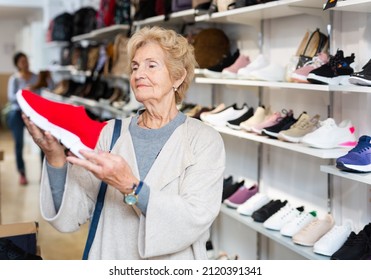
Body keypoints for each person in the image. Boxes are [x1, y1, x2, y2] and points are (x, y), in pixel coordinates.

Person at [22, 26, 226, 260]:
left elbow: (195, 217)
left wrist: (132, 187)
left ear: (178, 76)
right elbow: (72, 214)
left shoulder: (204, 140)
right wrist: (54, 157)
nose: (138, 74)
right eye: (135, 66)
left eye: (151, 65)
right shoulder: (111, 133)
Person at [7, 52, 38, 185]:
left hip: (33, 113)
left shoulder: (36, 77)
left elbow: (43, 91)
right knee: (19, 144)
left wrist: (47, 79)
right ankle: (22, 173)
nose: (25, 63)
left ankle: (45, 173)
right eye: (21, 61)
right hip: (18, 113)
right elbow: (11, 97)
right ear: (17, 64)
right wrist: (24, 93)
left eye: (26, 61)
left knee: (42, 141)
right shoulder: (14, 79)